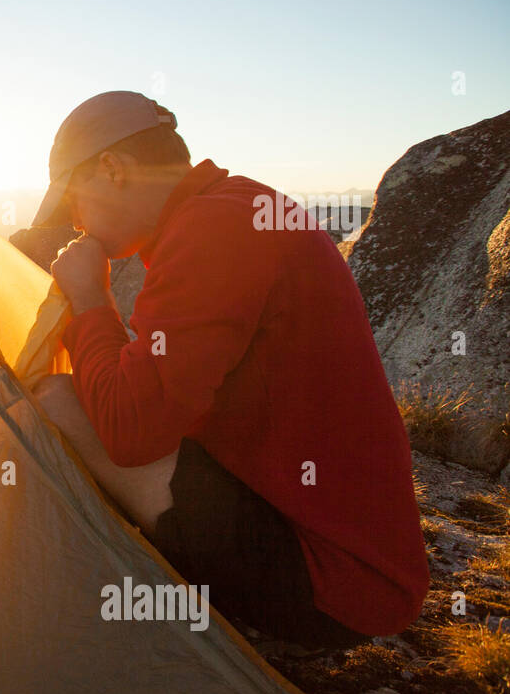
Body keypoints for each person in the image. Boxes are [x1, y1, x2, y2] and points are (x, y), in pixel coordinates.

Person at [29, 91, 429, 649]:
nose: (73, 220)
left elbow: (130, 431)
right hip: (342, 551)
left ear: (113, 168)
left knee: (53, 401)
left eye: (72, 201)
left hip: (331, 582)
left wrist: (90, 303)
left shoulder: (214, 231)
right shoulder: (231, 208)